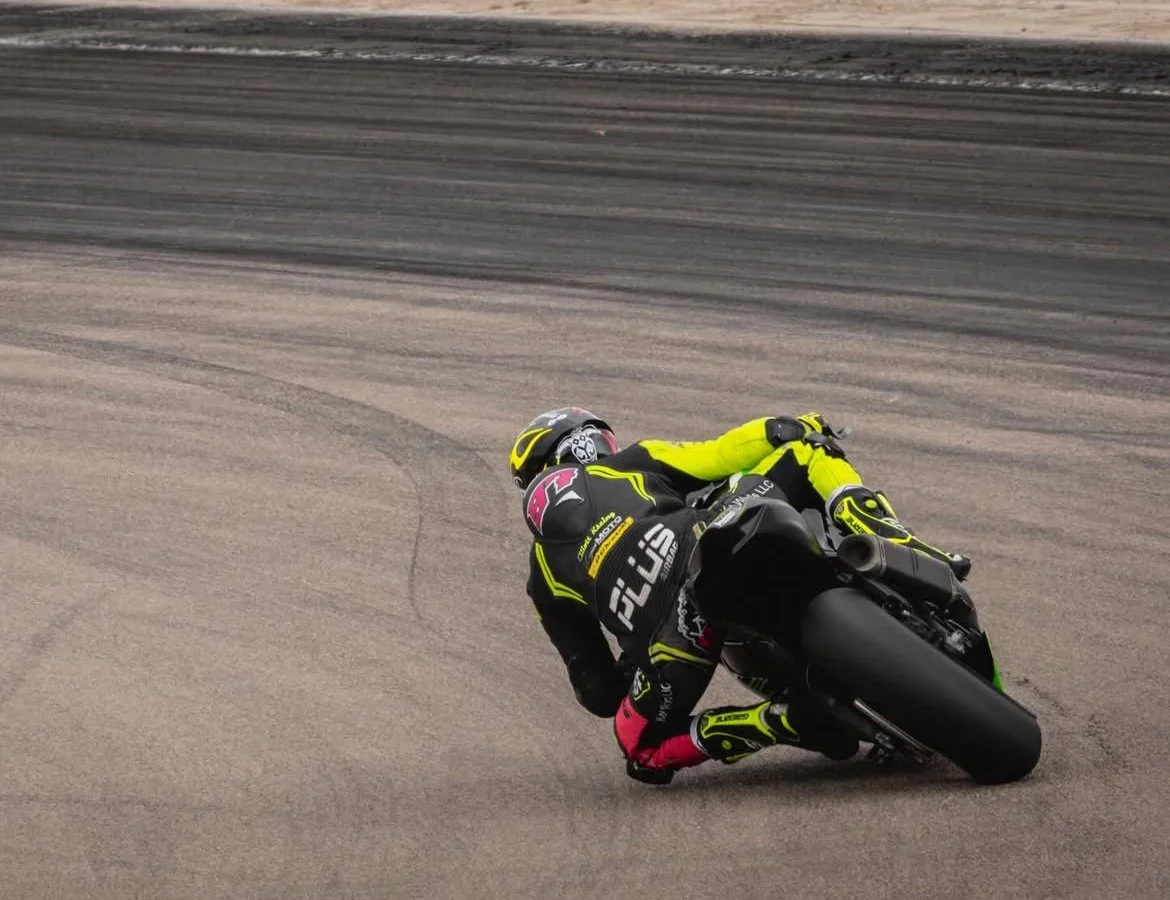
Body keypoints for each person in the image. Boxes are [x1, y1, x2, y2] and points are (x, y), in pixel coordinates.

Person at [510, 407, 971, 784]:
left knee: (640, 749)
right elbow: (725, 452)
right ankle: (901, 546)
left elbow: (598, 693)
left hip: (677, 641)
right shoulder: (627, 463)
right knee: (806, 453)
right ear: (584, 445)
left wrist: (635, 656)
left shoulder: (541, 577)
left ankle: (775, 722)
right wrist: (797, 425)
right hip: (706, 541)